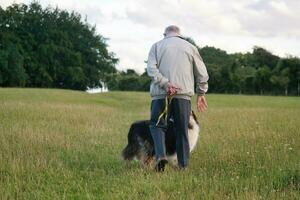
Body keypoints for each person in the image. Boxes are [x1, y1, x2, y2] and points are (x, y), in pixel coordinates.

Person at [146, 25, 209, 171]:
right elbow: (202, 73)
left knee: (157, 126)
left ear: (165, 34)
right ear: (180, 35)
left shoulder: (156, 46)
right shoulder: (190, 47)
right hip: (183, 96)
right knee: (182, 130)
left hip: (161, 96)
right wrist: (201, 93)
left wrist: (165, 84)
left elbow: (151, 69)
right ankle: (183, 166)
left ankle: (161, 156)